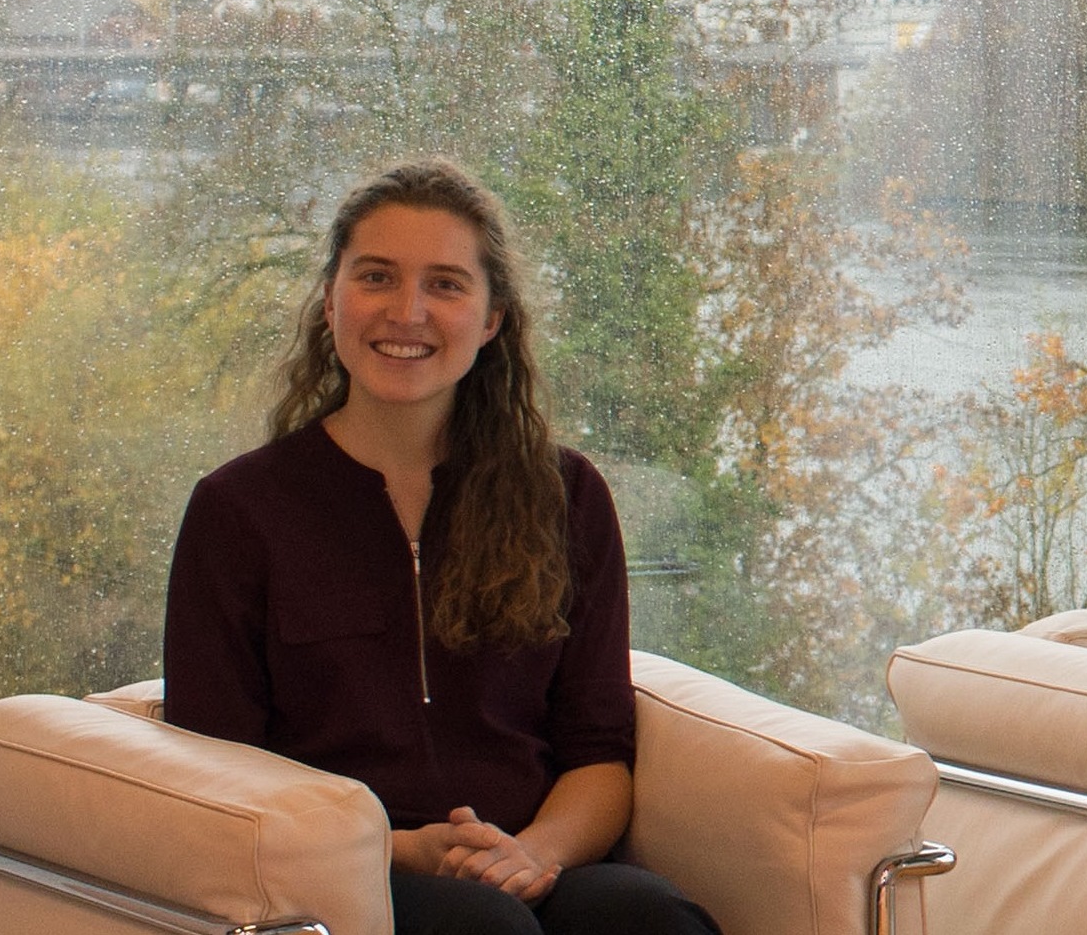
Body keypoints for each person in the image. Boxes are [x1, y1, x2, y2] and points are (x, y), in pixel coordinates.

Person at [164, 158, 722, 935]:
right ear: (331, 301)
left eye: (447, 285)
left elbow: (598, 752)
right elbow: (215, 777)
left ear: (492, 318)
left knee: (650, 919)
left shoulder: (565, 496)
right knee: (483, 930)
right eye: (377, 277)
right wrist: (397, 848)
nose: (408, 311)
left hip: (528, 857)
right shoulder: (239, 510)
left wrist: (531, 855)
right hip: (331, 880)